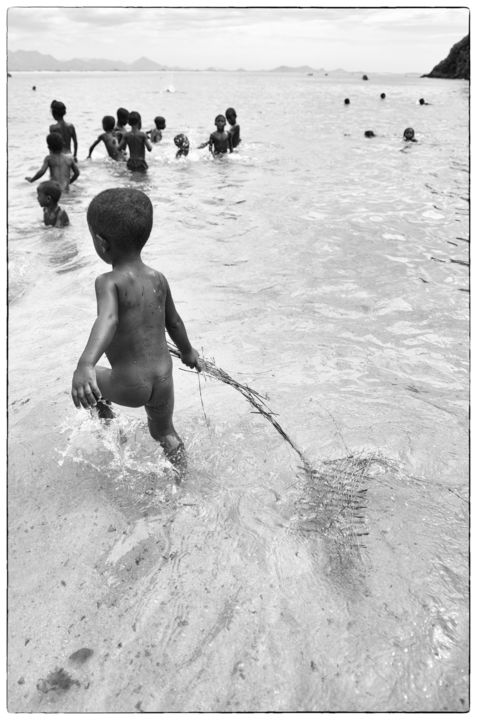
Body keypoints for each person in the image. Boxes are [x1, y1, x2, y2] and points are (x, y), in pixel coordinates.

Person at [71, 187, 200, 470]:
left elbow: (108, 320)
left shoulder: (108, 282)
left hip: (129, 384)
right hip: (163, 380)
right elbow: (174, 322)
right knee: (164, 433)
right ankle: (181, 481)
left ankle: (114, 437)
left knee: (90, 387)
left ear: (102, 243)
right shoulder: (159, 278)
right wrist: (189, 353)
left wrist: (85, 363)